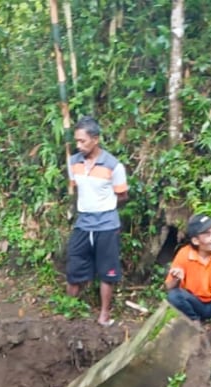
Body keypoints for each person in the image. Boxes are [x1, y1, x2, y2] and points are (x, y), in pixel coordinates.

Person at [66, 117, 128, 326]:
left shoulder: (113, 166)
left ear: (95, 139)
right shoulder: (73, 162)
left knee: (107, 271)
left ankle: (104, 315)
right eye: (77, 141)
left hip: (107, 224)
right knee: (74, 265)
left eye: (82, 141)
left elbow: (122, 196)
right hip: (83, 222)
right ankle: (69, 309)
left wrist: (106, 211)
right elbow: (77, 189)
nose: (78, 145)